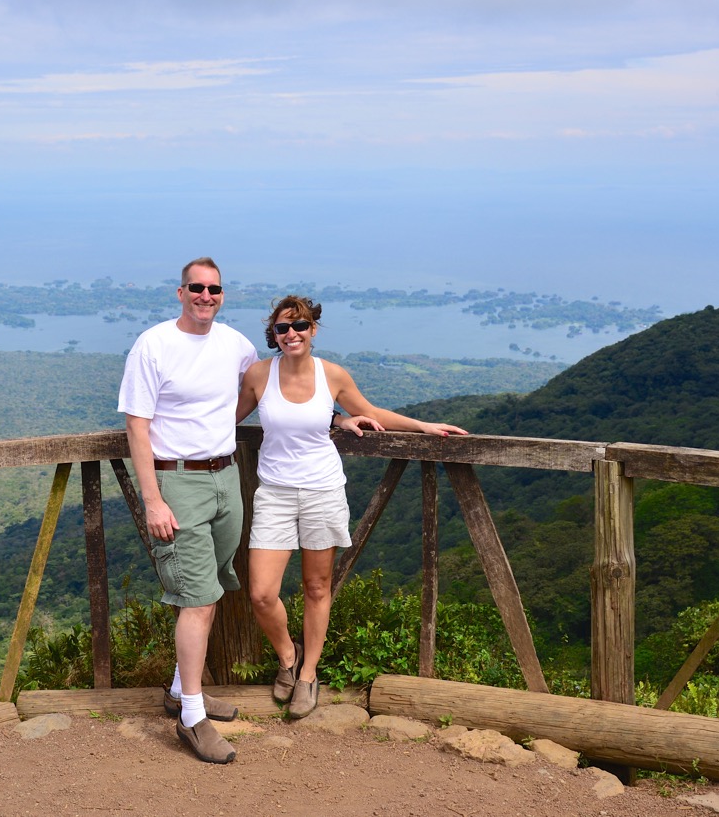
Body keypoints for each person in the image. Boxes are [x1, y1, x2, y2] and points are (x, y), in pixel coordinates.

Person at [236, 295, 466, 717]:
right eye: (283, 328)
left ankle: (307, 675)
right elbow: (228, 418)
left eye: (300, 325)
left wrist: (422, 426)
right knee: (262, 593)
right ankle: (288, 657)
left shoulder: (333, 376)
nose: (292, 334)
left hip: (323, 490)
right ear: (273, 335)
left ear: (313, 329)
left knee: (317, 587)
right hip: (275, 492)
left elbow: (370, 411)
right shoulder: (258, 376)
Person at [118, 257, 258, 764]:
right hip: (176, 481)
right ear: (180, 292)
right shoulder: (154, 345)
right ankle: (193, 721)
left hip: (226, 476)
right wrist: (153, 498)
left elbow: (265, 386)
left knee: (210, 587)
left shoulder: (235, 344)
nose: (206, 295)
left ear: (223, 294)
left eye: (214, 288)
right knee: (198, 597)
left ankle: (182, 689)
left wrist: (341, 415)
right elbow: (137, 425)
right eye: (196, 288)